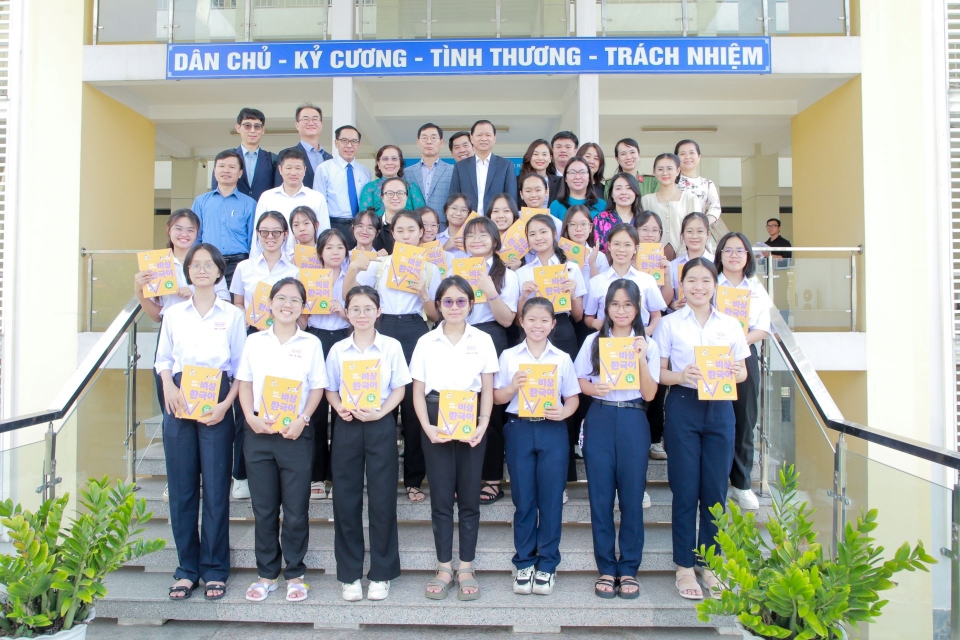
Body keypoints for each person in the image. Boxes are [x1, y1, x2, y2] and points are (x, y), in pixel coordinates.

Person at [653, 257, 749, 601]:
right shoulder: (670, 325)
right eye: (691, 280)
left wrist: (732, 372)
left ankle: (711, 565)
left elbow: (742, 373)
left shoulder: (731, 324)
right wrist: (682, 375)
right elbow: (658, 374)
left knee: (715, 492)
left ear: (715, 285)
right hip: (683, 405)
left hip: (721, 408)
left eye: (705, 281)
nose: (698, 287)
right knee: (685, 489)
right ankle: (683, 567)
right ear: (682, 285)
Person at [156, 243, 246, 602]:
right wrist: (168, 386)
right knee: (181, 489)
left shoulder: (232, 315)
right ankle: (186, 569)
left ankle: (214, 568)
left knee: (215, 487)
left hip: (217, 395)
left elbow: (241, 368)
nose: (202, 269)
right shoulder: (175, 314)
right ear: (188, 271)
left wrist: (226, 405)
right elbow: (163, 359)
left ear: (219, 271)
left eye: (209, 264)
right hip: (179, 394)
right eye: (195, 264)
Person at [237, 277, 327, 603]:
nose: (287, 305)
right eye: (281, 299)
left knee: (295, 509)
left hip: (295, 435)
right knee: (263, 509)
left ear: (303, 307)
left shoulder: (311, 344)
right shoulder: (254, 342)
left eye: (294, 300)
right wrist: (250, 417)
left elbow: (317, 387)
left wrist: (302, 420)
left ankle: (295, 572)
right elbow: (244, 383)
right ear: (270, 304)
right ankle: (266, 573)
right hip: (259, 431)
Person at [410, 276, 499, 601]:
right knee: (442, 497)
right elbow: (417, 392)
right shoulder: (426, 342)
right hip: (435, 418)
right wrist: (427, 427)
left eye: (461, 301)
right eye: (448, 301)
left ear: (471, 305)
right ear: (438, 305)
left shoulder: (483, 340)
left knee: (470, 497)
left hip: (471, 418)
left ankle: (466, 567)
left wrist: (483, 423)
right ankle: (444, 567)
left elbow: (488, 388)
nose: (454, 307)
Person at [344, 210, 442, 504]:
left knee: (414, 405)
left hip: (415, 327)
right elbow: (351, 296)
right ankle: (378, 476)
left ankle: (413, 480)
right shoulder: (380, 265)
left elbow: (436, 315)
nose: (406, 235)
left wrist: (424, 293)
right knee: (379, 395)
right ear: (392, 233)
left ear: (421, 233)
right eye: (400, 230)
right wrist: (352, 269)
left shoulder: (430, 268)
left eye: (412, 230)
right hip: (382, 327)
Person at [324, 285, 411, 602]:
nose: (361, 314)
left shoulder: (391, 347)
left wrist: (381, 413)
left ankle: (381, 573)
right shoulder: (337, 350)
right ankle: (348, 575)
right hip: (347, 427)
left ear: (379, 312)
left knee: (383, 500)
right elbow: (330, 388)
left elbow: (400, 389)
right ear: (346, 313)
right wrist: (339, 407)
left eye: (367, 308)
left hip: (381, 426)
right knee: (345, 501)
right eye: (355, 309)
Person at [575, 280, 659, 600]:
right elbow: (579, 379)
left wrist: (639, 357)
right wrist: (593, 389)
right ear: (606, 308)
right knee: (600, 497)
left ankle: (629, 568)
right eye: (615, 304)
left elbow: (650, 393)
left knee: (632, 497)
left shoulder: (647, 343)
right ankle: (607, 567)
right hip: (600, 415)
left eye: (627, 305)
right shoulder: (594, 342)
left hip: (634, 418)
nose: (621, 310)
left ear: (638, 309)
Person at [495, 297, 580, 596]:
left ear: (553, 324)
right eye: (531, 319)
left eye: (544, 320)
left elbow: (572, 397)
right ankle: (524, 562)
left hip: (552, 429)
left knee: (551, 499)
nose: (537, 325)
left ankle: (547, 564)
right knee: (524, 499)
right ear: (521, 321)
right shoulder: (508, 357)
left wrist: (565, 412)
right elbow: (496, 398)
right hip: (519, 428)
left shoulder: (561, 358)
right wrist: (512, 388)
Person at [228, 211, 300, 499]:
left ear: (285, 236)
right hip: (253, 338)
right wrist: (251, 321)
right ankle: (240, 474)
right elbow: (237, 307)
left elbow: (297, 308)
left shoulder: (294, 271)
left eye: (276, 232)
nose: (270, 237)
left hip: (284, 338)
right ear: (257, 235)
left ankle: (281, 467)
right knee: (246, 406)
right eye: (264, 232)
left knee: (281, 395)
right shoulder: (244, 268)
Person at [461, 216, 521, 505]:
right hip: (459, 338)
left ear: (495, 241)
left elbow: (508, 319)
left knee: (491, 409)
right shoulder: (456, 270)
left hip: (492, 336)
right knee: (462, 403)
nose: (476, 240)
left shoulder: (507, 275)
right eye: (470, 236)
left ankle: (493, 478)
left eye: (483, 236)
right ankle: (465, 476)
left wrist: (489, 289)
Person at [714, 232, 772, 511]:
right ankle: (715, 479)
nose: (734, 255)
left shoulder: (756, 288)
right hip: (712, 357)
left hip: (744, 356)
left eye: (740, 250)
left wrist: (739, 341)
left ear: (748, 256)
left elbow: (763, 328)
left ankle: (742, 483)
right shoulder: (710, 283)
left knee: (745, 420)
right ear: (720, 254)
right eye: (728, 250)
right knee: (715, 418)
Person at [305, 229, 352, 500]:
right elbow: (301, 321)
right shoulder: (309, 278)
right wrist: (307, 309)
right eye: (329, 247)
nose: (335, 252)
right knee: (317, 410)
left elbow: (363, 315)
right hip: (317, 337)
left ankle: (338, 475)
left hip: (344, 337)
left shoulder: (352, 276)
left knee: (344, 405)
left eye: (340, 247)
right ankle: (317, 476)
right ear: (320, 251)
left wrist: (343, 312)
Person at [633, 210, 671, 464]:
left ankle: (654, 437)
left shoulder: (655, 270)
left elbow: (660, 309)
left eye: (654, 230)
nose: (649, 234)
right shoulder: (619, 261)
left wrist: (645, 333)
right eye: (643, 229)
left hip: (647, 337)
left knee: (653, 388)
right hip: (614, 341)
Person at [584, 224, 666, 338]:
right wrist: (595, 323)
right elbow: (588, 317)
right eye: (617, 244)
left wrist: (647, 331)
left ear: (635, 249)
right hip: (607, 343)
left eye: (627, 245)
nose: (621, 249)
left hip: (639, 341)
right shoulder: (596, 282)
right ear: (609, 246)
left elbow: (657, 315)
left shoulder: (647, 280)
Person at [193, 149, 257, 286]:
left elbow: (254, 239)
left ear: (240, 173)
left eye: (232, 167)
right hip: (208, 263)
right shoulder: (201, 202)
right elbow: (195, 236)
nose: (226, 170)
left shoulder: (250, 203)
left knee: (237, 305)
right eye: (221, 166)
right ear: (214, 171)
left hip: (239, 264)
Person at [255, 148, 330, 259]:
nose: (293, 173)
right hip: (274, 260)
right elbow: (257, 235)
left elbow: (324, 234)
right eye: (288, 168)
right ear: (280, 169)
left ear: (304, 170)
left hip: (307, 261)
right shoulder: (267, 197)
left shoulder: (316, 198)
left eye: (298, 168)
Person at [313, 125, 373, 245]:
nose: (349, 145)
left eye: (354, 141)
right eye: (344, 141)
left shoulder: (365, 172)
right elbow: (319, 204)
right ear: (336, 143)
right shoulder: (324, 169)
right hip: (334, 225)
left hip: (360, 227)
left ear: (359, 144)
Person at [449, 120, 518, 215]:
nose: (484, 138)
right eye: (479, 135)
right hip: (467, 223)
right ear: (472, 139)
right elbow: (454, 198)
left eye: (488, 135)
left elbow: (511, 199)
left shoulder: (505, 166)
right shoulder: (460, 167)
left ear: (494, 138)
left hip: (496, 223)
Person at [642, 153, 702, 259]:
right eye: (660, 169)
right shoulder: (646, 200)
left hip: (685, 255)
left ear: (678, 171)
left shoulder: (690, 199)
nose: (665, 173)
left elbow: (696, 229)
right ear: (654, 172)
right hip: (652, 257)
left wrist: (685, 253)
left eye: (669, 168)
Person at [212, 108, 277, 203]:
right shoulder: (225, 159)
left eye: (257, 126)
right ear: (238, 128)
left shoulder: (273, 159)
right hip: (232, 212)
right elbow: (216, 190)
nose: (252, 130)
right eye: (247, 126)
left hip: (263, 213)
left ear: (263, 130)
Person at [275, 103, 332, 190]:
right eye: (306, 119)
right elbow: (279, 188)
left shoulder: (329, 158)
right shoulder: (286, 154)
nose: (311, 123)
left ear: (321, 124)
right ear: (297, 125)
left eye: (315, 119)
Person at [358, 145, 426, 217]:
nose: (390, 163)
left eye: (394, 159)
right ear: (378, 164)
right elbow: (365, 218)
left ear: (400, 163)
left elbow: (422, 216)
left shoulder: (411, 187)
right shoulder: (369, 188)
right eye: (385, 159)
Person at [666, 213, 715, 310]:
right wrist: (672, 305)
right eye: (689, 231)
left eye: (700, 231)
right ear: (683, 236)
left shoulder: (717, 262)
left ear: (708, 234)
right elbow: (668, 299)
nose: (694, 236)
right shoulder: (673, 265)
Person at [407, 123, 454, 221]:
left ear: (441, 143)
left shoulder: (452, 171)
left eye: (433, 138)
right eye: (424, 138)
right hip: (414, 226)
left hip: (442, 227)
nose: (429, 142)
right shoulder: (406, 173)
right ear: (418, 142)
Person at [593, 173, 644, 253]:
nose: (624, 192)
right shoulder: (601, 219)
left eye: (629, 188)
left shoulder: (643, 220)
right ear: (611, 194)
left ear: (636, 193)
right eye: (618, 188)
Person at [675, 140, 721, 224]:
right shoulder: (671, 181)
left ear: (699, 156)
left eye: (692, 153)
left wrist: (703, 223)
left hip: (697, 232)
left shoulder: (707, 183)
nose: (687, 157)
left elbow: (715, 207)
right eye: (682, 154)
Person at [549, 157, 605, 221]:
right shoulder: (555, 205)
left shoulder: (602, 205)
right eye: (572, 172)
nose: (577, 177)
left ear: (589, 177)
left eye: (582, 172)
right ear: (565, 178)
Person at [376, 177, 414, 256]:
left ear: (406, 196)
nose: (395, 197)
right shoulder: (374, 226)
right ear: (382, 197)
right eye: (390, 193)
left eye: (400, 193)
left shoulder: (416, 225)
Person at [518, 139, 561, 203]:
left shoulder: (559, 182)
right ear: (529, 157)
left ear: (550, 158)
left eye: (544, 154)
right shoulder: (517, 181)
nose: (540, 158)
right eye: (535, 154)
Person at [437, 193, 471, 260]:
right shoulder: (436, 239)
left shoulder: (474, 240)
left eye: (463, 210)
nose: (458, 213)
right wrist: (445, 248)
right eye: (454, 208)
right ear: (446, 210)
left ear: (468, 214)